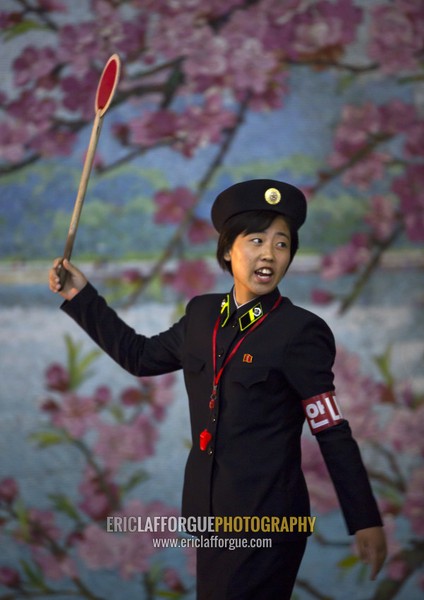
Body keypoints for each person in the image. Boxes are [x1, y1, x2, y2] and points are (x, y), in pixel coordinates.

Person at [49, 179, 387, 599]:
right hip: (210, 516)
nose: (269, 254)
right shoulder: (202, 314)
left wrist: (365, 518)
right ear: (228, 250)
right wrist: (79, 296)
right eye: (256, 240)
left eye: (282, 244)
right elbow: (139, 356)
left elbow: (331, 428)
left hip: (268, 521)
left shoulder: (301, 332)